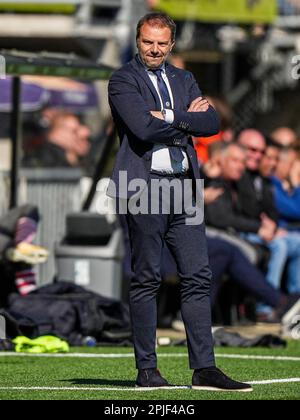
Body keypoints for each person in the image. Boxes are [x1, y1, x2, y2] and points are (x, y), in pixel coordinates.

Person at [107, 12, 252, 392]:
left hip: (184, 188)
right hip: (143, 187)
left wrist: (169, 115)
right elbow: (141, 126)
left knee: (198, 276)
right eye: (146, 42)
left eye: (161, 43)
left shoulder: (184, 78)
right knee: (146, 278)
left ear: (171, 45)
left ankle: (204, 368)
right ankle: (147, 370)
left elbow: (212, 124)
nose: (154, 50)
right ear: (137, 41)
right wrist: (186, 117)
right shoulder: (123, 79)